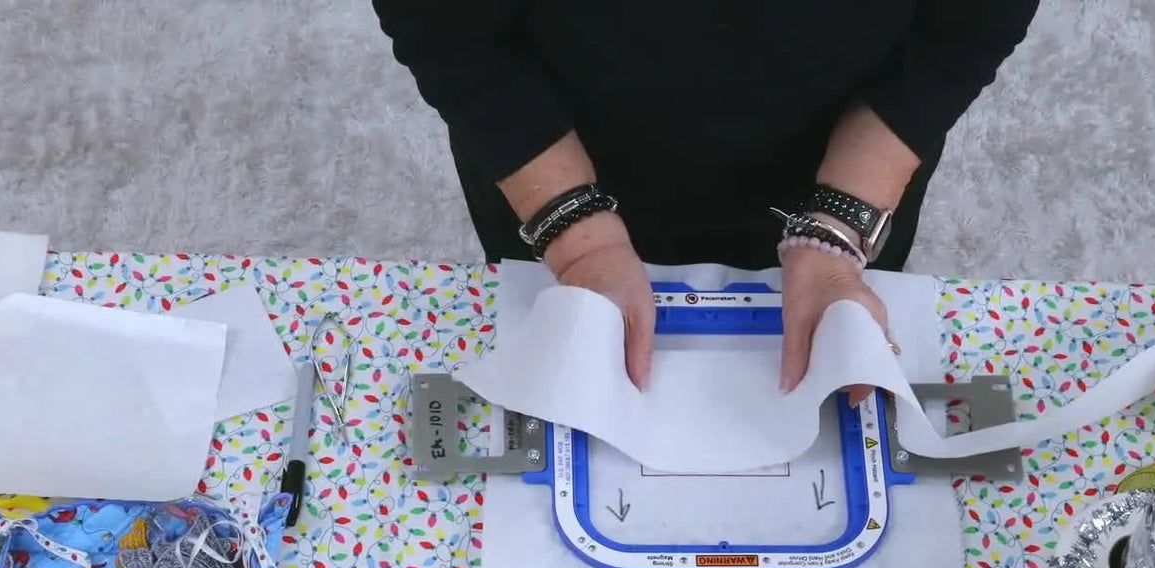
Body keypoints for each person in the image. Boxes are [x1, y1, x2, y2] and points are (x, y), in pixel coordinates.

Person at [373, 2, 1039, 392]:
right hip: (555, 145)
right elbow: (446, 28)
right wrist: (579, 237)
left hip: (848, 144)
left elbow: (969, 22)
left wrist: (840, 225)